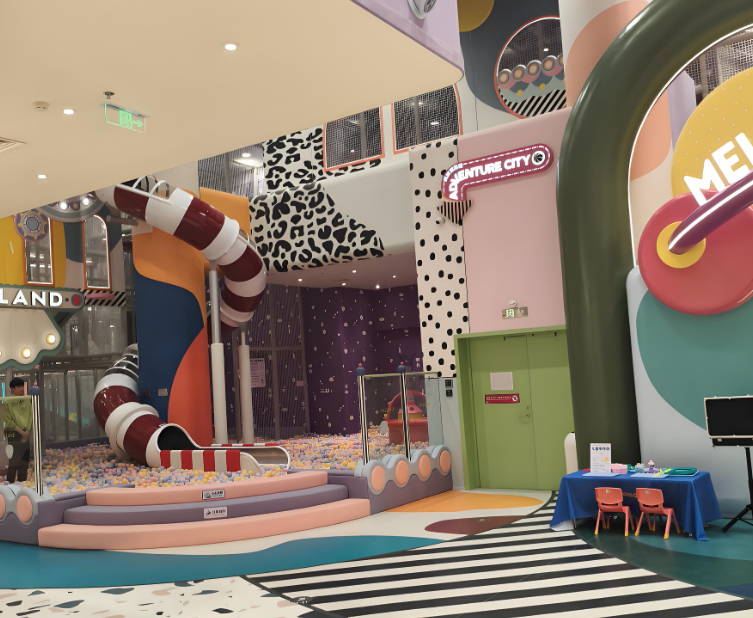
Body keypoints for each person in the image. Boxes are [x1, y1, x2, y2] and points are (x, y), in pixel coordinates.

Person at [3, 378, 32, 483]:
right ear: (13, 389)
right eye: (18, 387)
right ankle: (10, 484)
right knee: (13, 460)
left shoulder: (27, 401)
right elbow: (8, 421)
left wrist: (27, 432)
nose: (21, 389)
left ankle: (22, 483)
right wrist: (22, 433)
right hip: (12, 433)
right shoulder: (7, 402)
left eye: (22, 386)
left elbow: (30, 416)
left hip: (25, 433)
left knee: (24, 460)